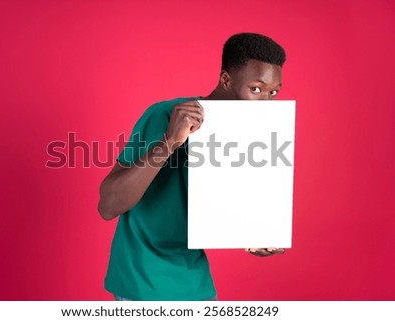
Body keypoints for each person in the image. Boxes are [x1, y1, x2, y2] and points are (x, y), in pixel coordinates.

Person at [98, 33, 287, 301]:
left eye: (273, 92)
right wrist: (171, 140)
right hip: (145, 281)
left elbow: (218, 210)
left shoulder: (249, 138)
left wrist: (253, 234)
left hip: (196, 283)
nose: (266, 103)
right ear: (226, 80)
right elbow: (108, 205)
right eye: (256, 89)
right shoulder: (165, 115)